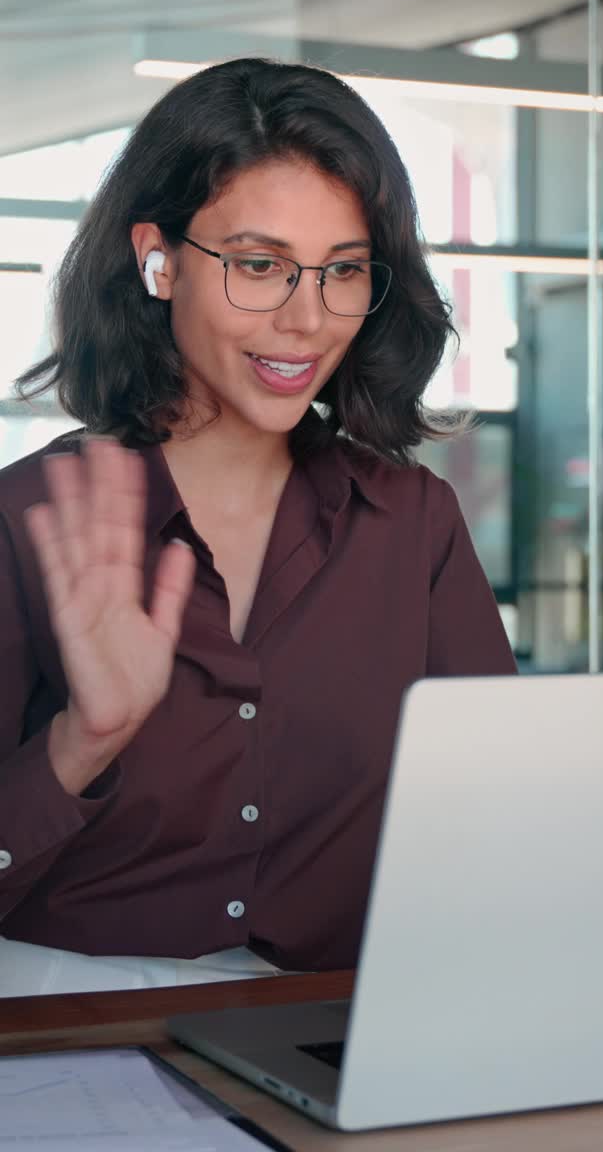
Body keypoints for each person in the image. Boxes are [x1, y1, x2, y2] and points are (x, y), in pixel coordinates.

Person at [0, 58, 516, 996]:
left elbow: (497, 830)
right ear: (158, 260)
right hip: (65, 1029)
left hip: (330, 1032)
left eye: (345, 271)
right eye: (259, 265)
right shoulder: (24, 522)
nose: (308, 320)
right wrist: (86, 740)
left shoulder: (414, 527)